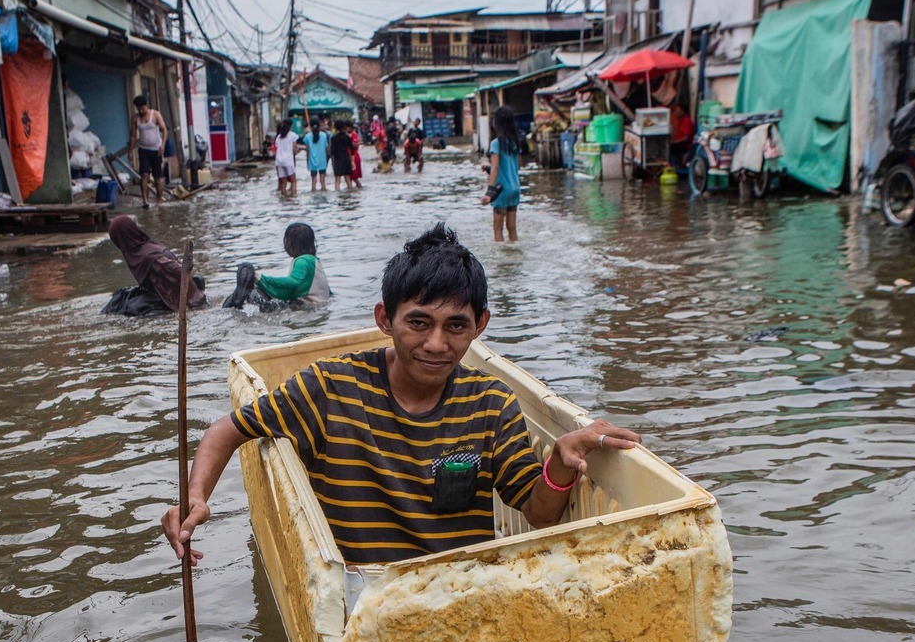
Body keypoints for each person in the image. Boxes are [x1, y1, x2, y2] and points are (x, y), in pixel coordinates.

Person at [162, 222, 640, 567]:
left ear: (480, 327)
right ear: (384, 320)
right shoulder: (330, 387)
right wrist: (196, 498)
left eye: (456, 325)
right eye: (418, 322)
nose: (436, 344)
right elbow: (227, 430)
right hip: (359, 602)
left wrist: (560, 458)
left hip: (457, 592)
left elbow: (537, 513)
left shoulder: (491, 403)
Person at [102, 215, 206, 316]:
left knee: (132, 307)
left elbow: (178, 271)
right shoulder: (142, 249)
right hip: (165, 291)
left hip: (177, 296)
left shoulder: (147, 256)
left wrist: (193, 299)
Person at [222, 221, 330, 310]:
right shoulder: (314, 261)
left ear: (289, 244)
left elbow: (294, 282)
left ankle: (234, 307)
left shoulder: (302, 261)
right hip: (320, 306)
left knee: (259, 297)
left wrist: (260, 278)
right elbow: (326, 290)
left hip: (309, 308)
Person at [482, 104, 523, 242]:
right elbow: (516, 166)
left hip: (501, 191)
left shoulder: (496, 143)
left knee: (497, 229)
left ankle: (502, 263)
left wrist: (489, 193)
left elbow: (496, 168)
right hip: (515, 188)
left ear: (497, 123)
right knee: (512, 228)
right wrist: (490, 169)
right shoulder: (515, 142)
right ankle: (515, 259)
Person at [129, 94, 168, 208]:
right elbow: (132, 135)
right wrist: (130, 151)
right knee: (144, 174)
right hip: (143, 150)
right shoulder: (135, 118)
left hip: (156, 149)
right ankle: (145, 201)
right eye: (138, 109)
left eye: (142, 108)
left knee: (158, 176)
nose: (141, 111)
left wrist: (163, 145)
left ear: (145, 106)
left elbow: (164, 130)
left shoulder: (155, 114)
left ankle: (159, 200)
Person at [273, 119, 300, 196]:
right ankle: (293, 197)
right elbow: (294, 149)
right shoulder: (293, 135)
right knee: (293, 181)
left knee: (283, 181)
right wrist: (297, 151)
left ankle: (284, 197)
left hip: (279, 161)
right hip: (288, 161)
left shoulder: (279, 137)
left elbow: (277, 148)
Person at [304, 116, 329, 192]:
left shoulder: (307, 137)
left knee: (313, 181)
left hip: (312, 161)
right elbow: (326, 149)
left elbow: (307, 151)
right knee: (323, 181)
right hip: (322, 161)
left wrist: (307, 162)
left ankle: (314, 191)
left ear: (310, 126)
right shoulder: (324, 135)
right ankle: (323, 190)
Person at [330, 119, 354, 191]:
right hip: (346, 158)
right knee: (348, 178)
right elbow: (352, 150)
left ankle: (337, 193)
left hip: (338, 159)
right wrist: (352, 161)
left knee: (337, 179)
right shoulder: (347, 137)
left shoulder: (333, 138)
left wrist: (332, 161)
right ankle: (350, 192)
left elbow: (332, 151)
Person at [669, 101, 695, 169]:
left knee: (669, 149)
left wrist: (674, 142)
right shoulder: (680, 121)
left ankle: (674, 166)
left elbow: (685, 138)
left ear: (682, 111)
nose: (675, 113)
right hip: (680, 145)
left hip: (685, 146)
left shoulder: (686, 121)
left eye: (677, 111)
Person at [349, 123, 364, 188]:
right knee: (350, 177)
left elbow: (356, 145)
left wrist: (348, 140)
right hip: (350, 157)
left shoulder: (354, 134)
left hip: (354, 157)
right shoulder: (349, 135)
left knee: (354, 177)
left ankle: (357, 187)